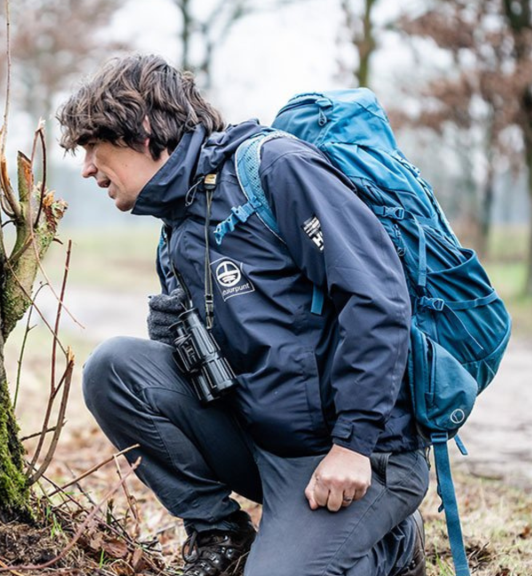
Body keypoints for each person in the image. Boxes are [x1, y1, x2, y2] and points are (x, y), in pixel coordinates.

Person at [56, 54, 429, 576]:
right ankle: (221, 536)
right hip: (265, 444)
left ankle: (391, 545)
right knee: (114, 368)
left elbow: (377, 298)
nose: (88, 167)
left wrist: (354, 445)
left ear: (141, 130)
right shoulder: (179, 221)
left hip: (362, 455)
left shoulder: (275, 168)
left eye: (94, 147)